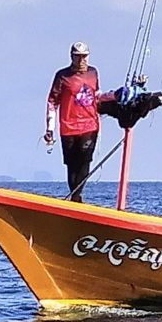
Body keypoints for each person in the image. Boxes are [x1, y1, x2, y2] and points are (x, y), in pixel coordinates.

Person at [44, 41, 112, 203]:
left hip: (90, 124)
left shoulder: (93, 73)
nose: (82, 61)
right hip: (68, 126)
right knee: (71, 164)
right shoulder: (62, 76)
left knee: (85, 159)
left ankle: (77, 195)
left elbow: (97, 95)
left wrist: (113, 96)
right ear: (72, 57)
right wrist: (49, 128)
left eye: (84, 57)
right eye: (78, 57)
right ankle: (74, 194)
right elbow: (52, 101)